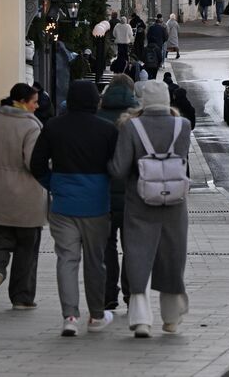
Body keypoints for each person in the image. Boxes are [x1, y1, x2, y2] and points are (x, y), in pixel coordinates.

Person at [30, 79, 118, 337]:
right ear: (95, 101)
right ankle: (96, 316)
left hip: (64, 204)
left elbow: (36, 164)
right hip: (97, 205)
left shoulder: (53, 127)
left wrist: (54, 184)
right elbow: (117, 167)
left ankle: (70, 316)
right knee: (95, 262)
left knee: (66, 260)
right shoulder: (108, 130)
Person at [109, 80, 192, 338]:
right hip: (174, 204)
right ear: (167, 99)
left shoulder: (131, 127)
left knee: (138, 256)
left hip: (140, 203)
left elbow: (120, 169)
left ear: (142, 101)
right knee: (172, 258)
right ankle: (171, 318)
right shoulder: (183, 126)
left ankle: (141, 319)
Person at [0, 83, 46, 310]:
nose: (37, 105)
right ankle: (22, 298)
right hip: (27, 196)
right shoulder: (31, 126)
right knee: (27, 247)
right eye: (34, 101)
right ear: (23, 102)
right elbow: (32, 161)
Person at [97, 74, 138, 312]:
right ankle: (132, 294)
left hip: (103, 194)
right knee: (132, 247)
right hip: (134, 195)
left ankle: (108, 294)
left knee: (107, 246)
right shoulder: (137, 118)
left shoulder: (97, 116)